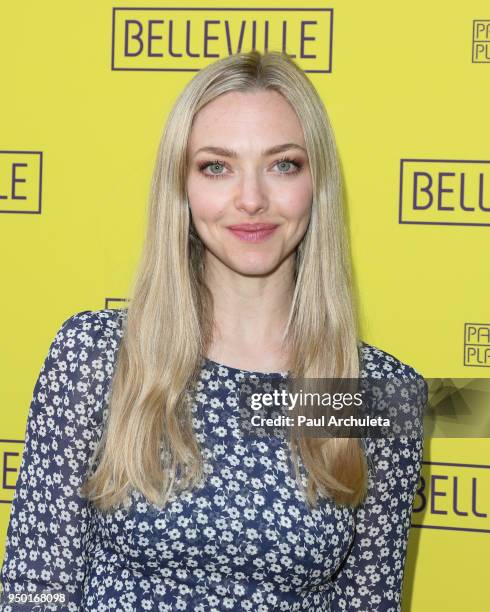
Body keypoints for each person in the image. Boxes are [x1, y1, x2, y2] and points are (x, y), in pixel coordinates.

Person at [0, 50, 428, 611]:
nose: (251, 198)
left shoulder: (364, 392)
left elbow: (369, 602)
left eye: (283, 164)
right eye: (216, 167)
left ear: (316, 183)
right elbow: (37, 588)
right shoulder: (98, 358)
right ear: (181, 188)